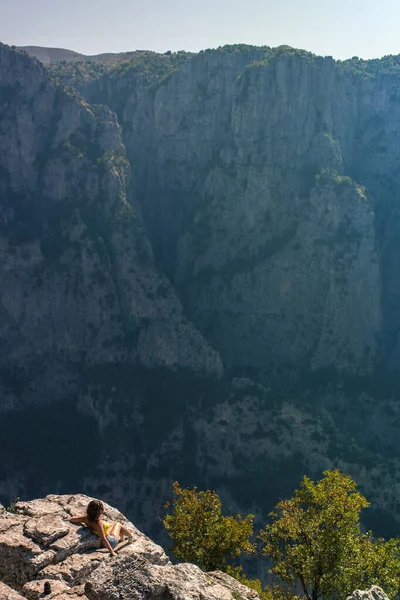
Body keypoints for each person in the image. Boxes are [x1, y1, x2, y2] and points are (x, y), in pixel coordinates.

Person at [69, 499, 134, 557]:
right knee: (117, 524)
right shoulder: (98, 523)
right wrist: (112, 552)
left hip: (100, 540)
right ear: (99, 511)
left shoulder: (86, 518)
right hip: (110, 542)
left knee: (112, 525)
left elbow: (73, 519)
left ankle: (122, 535)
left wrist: (68, 518)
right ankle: (130, 536)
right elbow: (103, 539)